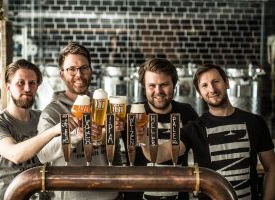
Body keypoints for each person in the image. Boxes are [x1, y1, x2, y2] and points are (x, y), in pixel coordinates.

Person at [145, 63, 275, 200]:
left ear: (227, 83)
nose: (212, 89)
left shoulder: (255, 122)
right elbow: (161, 154)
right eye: (205, 85)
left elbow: (271, 167)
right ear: (200, 94)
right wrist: (143, 141)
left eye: (216, 81)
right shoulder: (194, 128)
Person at [36, 42, 123, 200]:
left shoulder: (104, 105)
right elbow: (43, 155)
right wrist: (75, 136)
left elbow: (115, 153)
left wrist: (113, 133)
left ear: (90, 71)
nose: (79, 75)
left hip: (110, 196)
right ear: (62, 74)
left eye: (84, 68)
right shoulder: (52, 112)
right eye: (71, 69)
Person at [0, 59, 73, 200]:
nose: (27, 88)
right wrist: (54, 131)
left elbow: (60, 147)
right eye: (21, 83)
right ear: (8, 87)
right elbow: (16, 155)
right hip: (9, 196)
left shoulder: (42, 117)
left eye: (32, 83)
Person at [122, 58, 199, 200]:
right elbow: (103, 142)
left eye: (164, 85)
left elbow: (200, 152)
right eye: (152, 85)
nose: (158, 91)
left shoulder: (186, 112)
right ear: (144, 87)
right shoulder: (130, 113)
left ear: (174, 85)